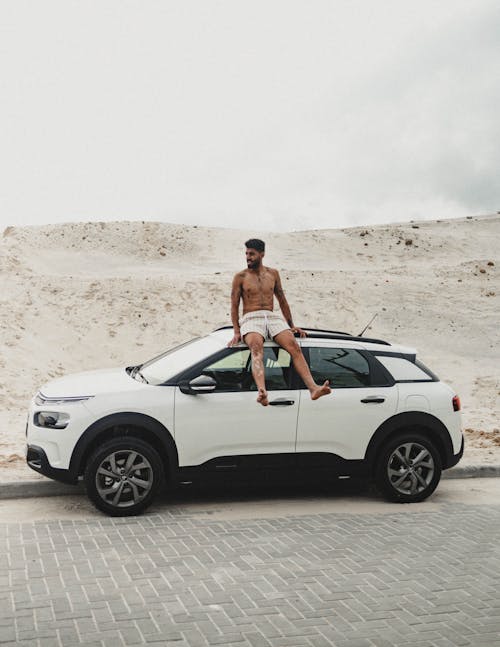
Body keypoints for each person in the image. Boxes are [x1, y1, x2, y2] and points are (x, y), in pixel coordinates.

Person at [228, 238, 332, 406]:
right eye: (246, 253)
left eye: (252, 254)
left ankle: (313, 388)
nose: (248, 257)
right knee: (256, 347)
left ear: (262, 254)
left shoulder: (273, 274)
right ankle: (262, 391)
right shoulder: (240, 277)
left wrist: (291, 326)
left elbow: (282, 300)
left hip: (272, 316)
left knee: (293, 346)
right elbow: (234, 306)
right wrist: (236, 331)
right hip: (251, 317)